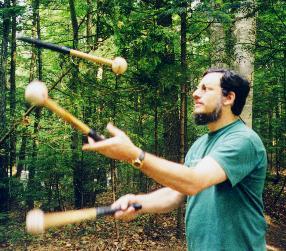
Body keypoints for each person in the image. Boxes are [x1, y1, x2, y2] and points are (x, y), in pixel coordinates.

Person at [83, 69, 267, 251]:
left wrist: (134, 154)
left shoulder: (244, 140)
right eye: (197, 88)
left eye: (205, 89)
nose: (195, 94)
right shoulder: (200, 144)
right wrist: (138, 202)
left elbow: (193, 182)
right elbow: (177, 193)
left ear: (229, 98)